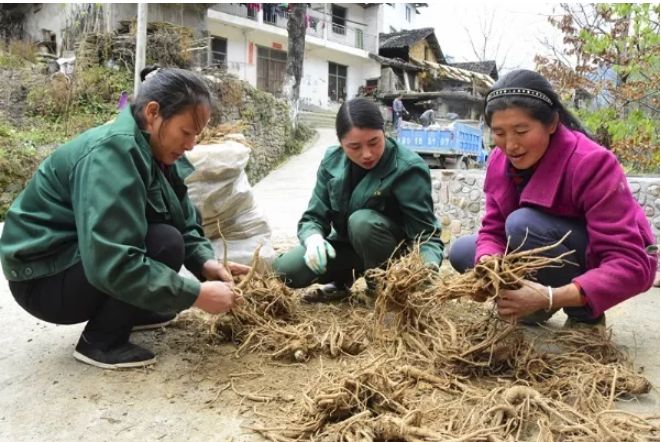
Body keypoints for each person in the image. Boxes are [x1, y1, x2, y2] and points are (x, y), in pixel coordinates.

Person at [0, 66, 249, 369]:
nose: (191, 144)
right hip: (42, 279)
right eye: (186, 132)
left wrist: (205, 263)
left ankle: (135, 310)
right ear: (153, 112)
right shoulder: (112, 154)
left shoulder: (156, 150)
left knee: (169, 238)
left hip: (73, 261)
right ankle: (100, 343)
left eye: (197, 135)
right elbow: (112, 260)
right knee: (163, 243)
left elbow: (182, 218)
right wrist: (195, 295)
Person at [448, 69, 658, 327]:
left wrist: (550, 296)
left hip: (591, 257)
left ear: (551, 123)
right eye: (499, 133)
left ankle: (585, 316)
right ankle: (527, 305)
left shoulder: (592, 163)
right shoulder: (499, 161)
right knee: (464, 252)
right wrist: (489, 263)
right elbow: (492, 229)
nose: (510, 145)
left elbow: (630, 265)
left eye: (521, 131)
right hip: (539, 246)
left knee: (521, 224)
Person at [273, 98, 443, 302]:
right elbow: (313, 217)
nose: (367, 154)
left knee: (362, 222)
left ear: (384, 132)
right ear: (340, 142)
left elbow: (426, 236)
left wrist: (424, 271)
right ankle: (342, 278)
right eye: (354, 147)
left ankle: (381, 289)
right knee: (285, 270)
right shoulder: (332, 161)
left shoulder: (408, 168)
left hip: (392, 256)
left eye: (374, 142)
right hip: (349, 249)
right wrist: (313, 238)